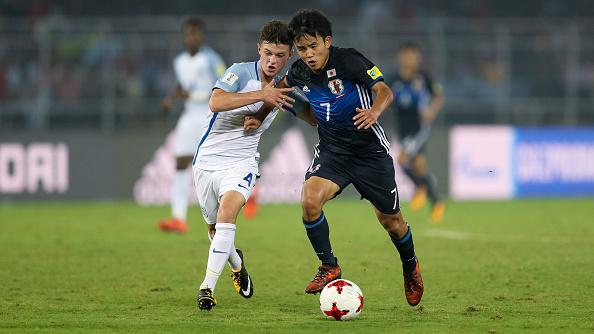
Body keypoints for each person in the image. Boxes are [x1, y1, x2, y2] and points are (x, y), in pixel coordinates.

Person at [284, 9, 424, 306]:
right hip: (333, 152)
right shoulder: (297, 72)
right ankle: (328, 265)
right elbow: (283, 95)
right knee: (309, 201)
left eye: (313, 46)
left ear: (327, 41)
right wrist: (267, 110)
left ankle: (410, 264)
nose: (308, 54)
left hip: (370, 153)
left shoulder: (348, 60)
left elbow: (384, 90)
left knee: (392, 222)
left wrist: (374, 111)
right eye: (301, 49)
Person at [194, 20, 297, 311]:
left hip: (241, 162)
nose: (272, 61)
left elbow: (303, 111)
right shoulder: (239, 71)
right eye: (267, 53)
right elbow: (215, 102)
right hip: (206, 162)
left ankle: (206, 289)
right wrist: (259, 96)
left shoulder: (286, 85)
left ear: (289, 55)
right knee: (215, 231)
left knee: (228, 215)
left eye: (279, 55)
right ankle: (237, 263)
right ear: (258, 50)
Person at [158, 17, 226, 233]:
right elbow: (183, 85)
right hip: (189, 116)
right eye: (188, 34)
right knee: (180, 162)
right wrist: (172, 98)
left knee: (223, 162)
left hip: (209, 114)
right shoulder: (179, 61)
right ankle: (178, 218)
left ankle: (251, 193)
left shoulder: (212, 59)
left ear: (202, 36)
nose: (191, 38)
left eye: (195, 34)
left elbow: (225, 82)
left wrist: (196, 95)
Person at [390, 42, 445, 223]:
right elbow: (384, 95)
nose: (410, 59)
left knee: (401, 159)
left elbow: (439, 95)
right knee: (418, 167)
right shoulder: (394, 79)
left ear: (418, 58)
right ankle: (436, 202)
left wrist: (431, 111)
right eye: (407, 55)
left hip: (419, 127)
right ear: (401, 57)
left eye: (414, 55)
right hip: (403, 128)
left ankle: (420, 189)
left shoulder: (424, 78)